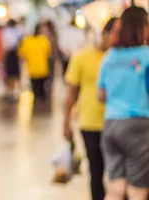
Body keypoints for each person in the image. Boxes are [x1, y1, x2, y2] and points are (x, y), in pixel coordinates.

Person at [97, 7, 149, 200]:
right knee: (137, 190)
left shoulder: (109, 56)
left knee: (115, 187)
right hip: (138, 125)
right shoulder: (145, 55)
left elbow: (100, 95)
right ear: (141, 27)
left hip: (110, 124)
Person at [63, 17, 117, 200]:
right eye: (112, 34)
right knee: (96, 170)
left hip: (115, 122)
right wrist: (66, 124)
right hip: (89, 122)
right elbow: (71, 93)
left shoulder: (120, 58)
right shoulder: (82, 57)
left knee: (117, 173)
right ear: (104, 33)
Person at [18, 23, 52, 103]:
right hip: (42, 68)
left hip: (32, 68)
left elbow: (21, 54)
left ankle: (37, 99)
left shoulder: (27, 41)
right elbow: (49, 53)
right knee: (41, 86)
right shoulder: (43, 40)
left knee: (35, 86)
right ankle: (41, 99)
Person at [0, 19, 23, 102]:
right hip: (15, 54)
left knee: (10, 75)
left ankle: (10, 93)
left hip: (10, 54)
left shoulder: (6, 32)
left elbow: (4, 46)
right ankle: (11, 93)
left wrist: (1, 58)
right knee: (13, 75)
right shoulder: (17, 31)